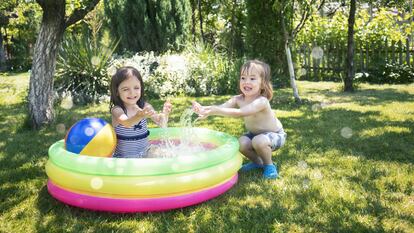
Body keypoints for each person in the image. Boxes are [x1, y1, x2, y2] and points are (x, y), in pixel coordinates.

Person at [192, 60, 286, 179]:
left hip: (275, 135)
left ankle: (269, 165)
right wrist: (205, 110)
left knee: (259, 141)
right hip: (254, 135)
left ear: (262, 84)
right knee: (241, 143)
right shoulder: (238, 99)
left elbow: (240, 113)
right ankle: (258, 163)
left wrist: (215, 110)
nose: (246, 82)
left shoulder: (262, 101)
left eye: (252, 79)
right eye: (243, 78)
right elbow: (221, 108)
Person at [110, 66, 172, 158]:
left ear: (141, 88)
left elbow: (160, 122)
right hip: (124, 157)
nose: (132, 92)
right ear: (117, 92)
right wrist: (138, 116)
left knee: (167, 155)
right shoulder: (117, 110)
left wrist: (165, 114)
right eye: (126, 89)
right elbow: (127, 123)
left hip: (145, 153)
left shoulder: (144, 106)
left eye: (136, 88)